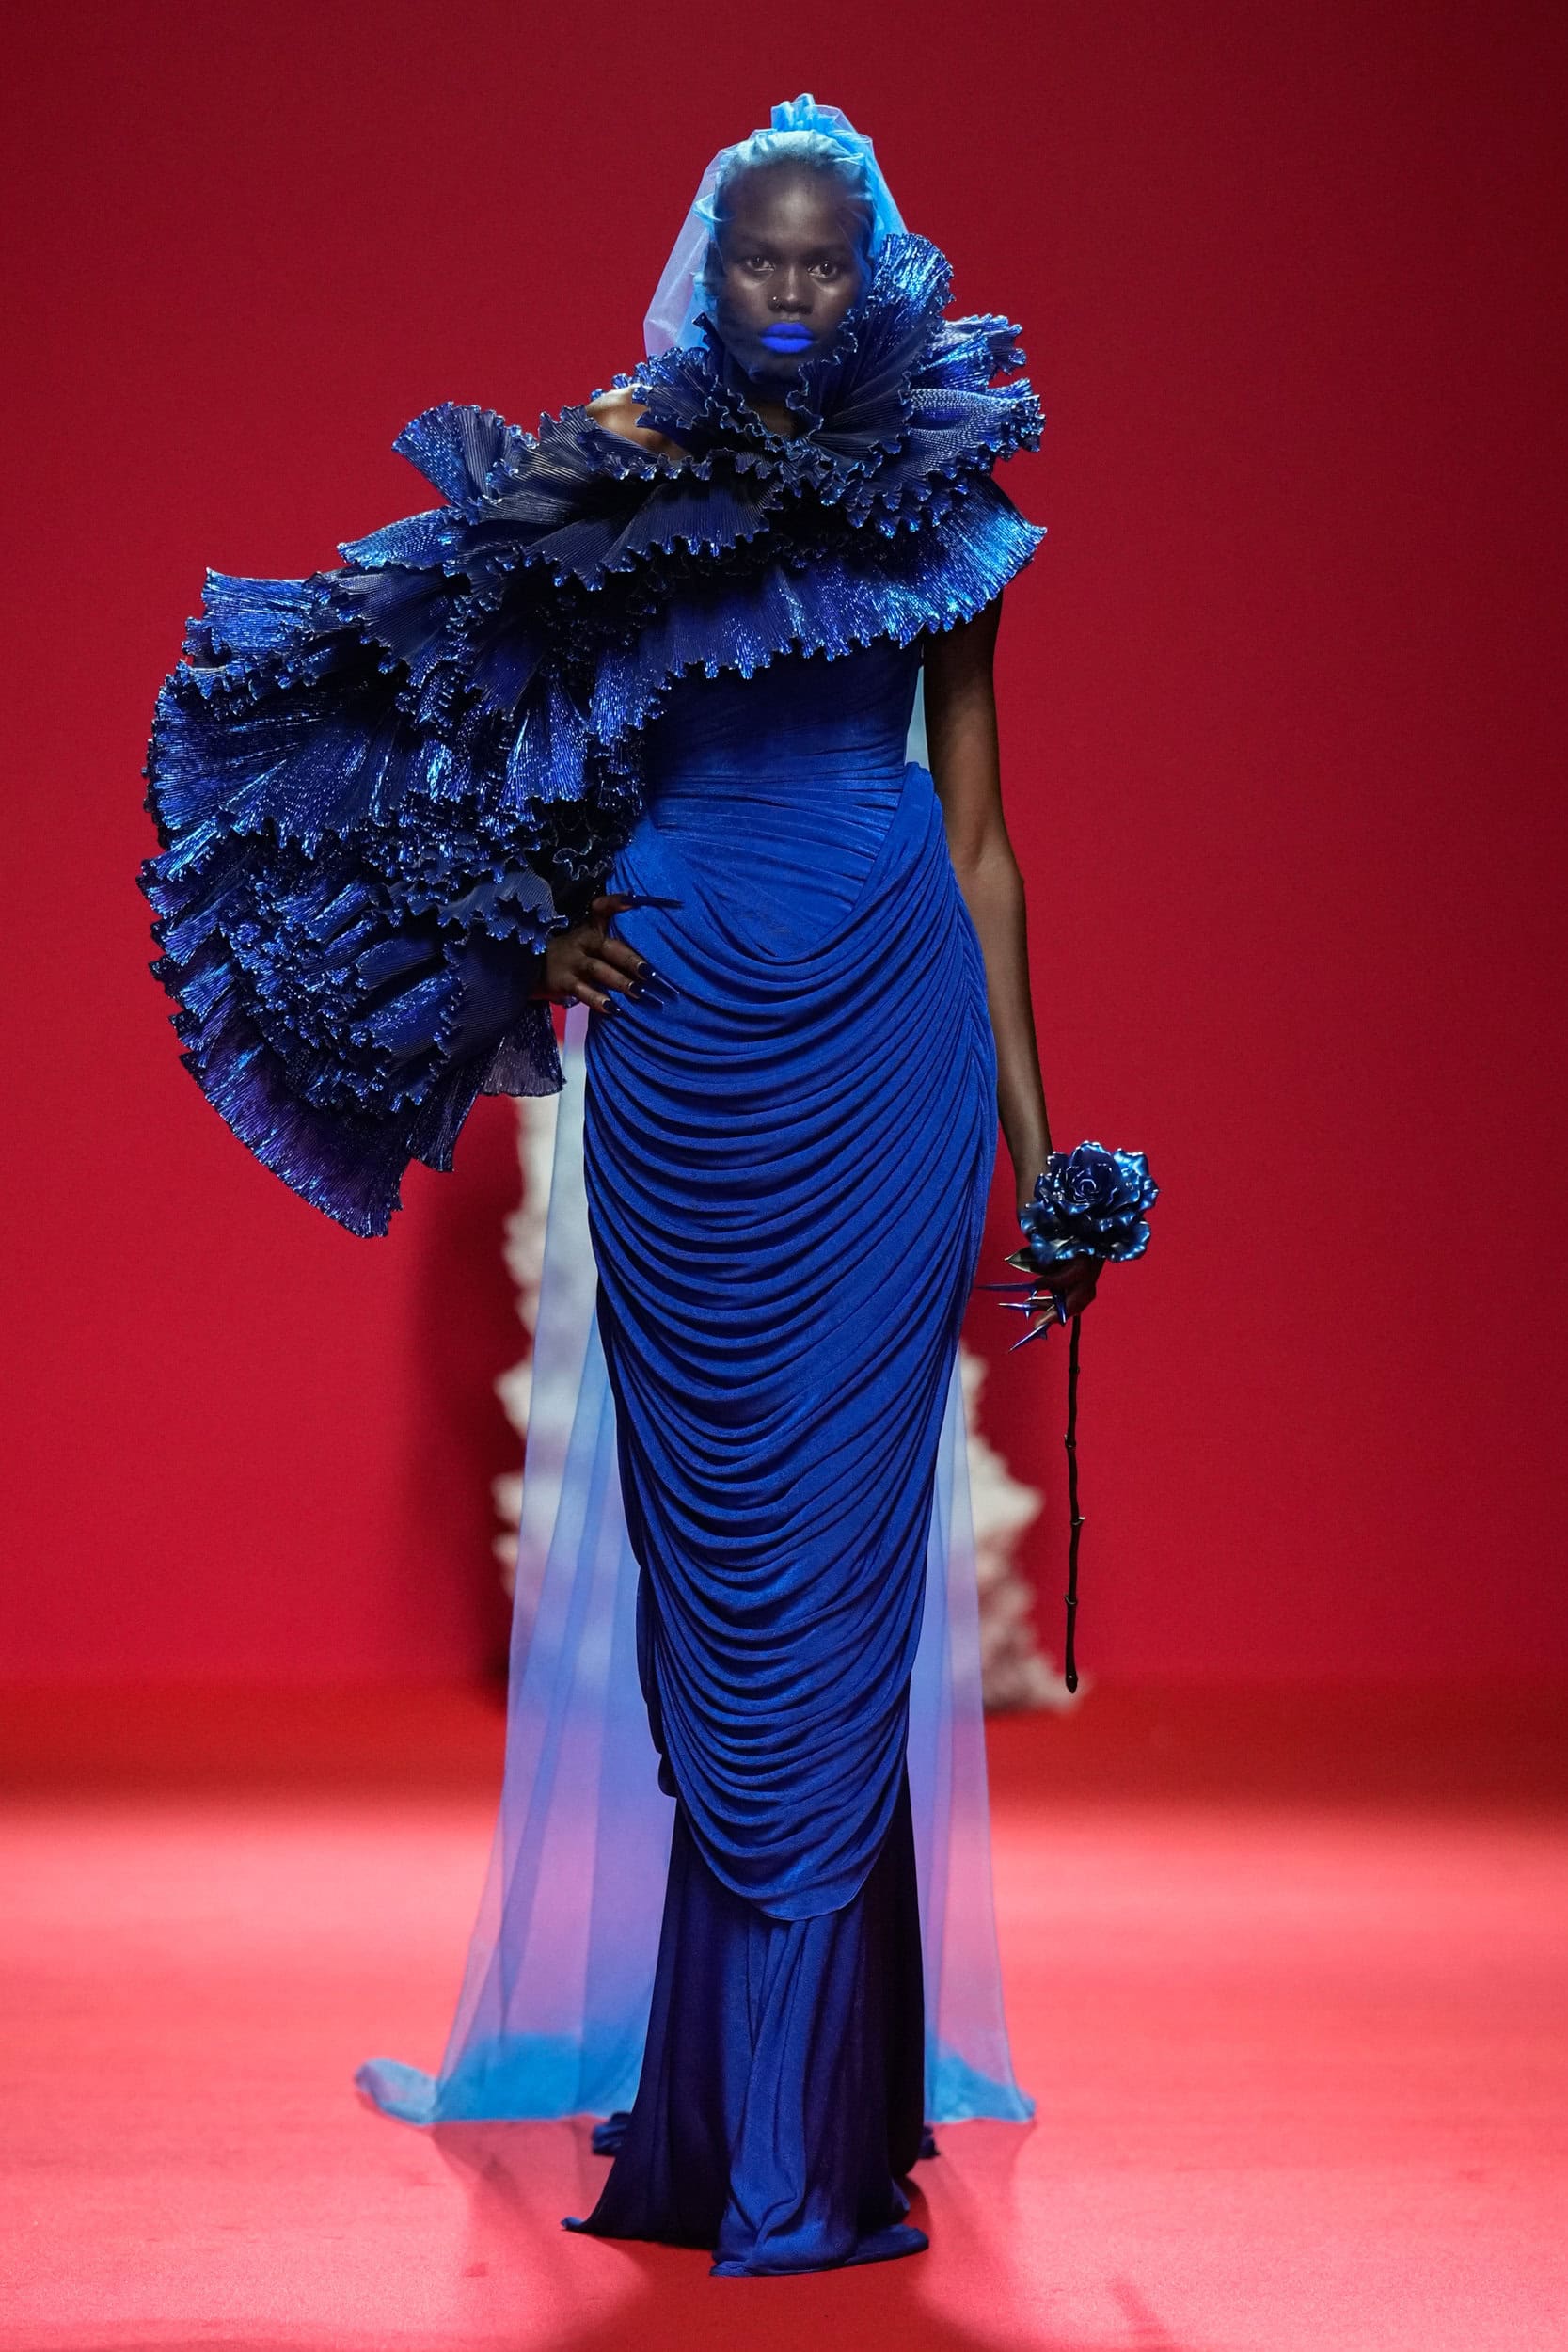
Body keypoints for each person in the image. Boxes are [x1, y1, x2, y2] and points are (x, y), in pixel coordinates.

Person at [142, 95, 1096, 2277]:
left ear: (877, 273)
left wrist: (1045, 1148)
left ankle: (802, 2146)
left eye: (824, 258)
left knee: (844, 1576)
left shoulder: (948, 498)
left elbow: (983, 841)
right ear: (704, 270)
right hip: (682, 1057)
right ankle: (752, 2106)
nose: (792, 290)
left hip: (888, 1048)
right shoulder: (614, 472)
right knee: (723, 1586)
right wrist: (519, 922)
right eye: (759, 256)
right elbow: (442, 713)